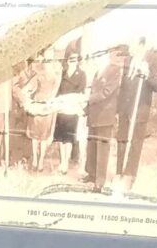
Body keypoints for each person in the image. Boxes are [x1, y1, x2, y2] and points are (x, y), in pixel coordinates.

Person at [85, 43, 132, 192]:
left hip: (105, 114)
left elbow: (106, 92)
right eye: (109, 52)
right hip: (94, 113)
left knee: (102, 149)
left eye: (113, 53)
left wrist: (88, 98)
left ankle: (100, 181)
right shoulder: (101, 69)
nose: (110, 55)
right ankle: (91, 174)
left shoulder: (116, 70)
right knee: (92, 145)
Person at [119, 44, 157, 193]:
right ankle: (119, 173)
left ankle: (129, 177)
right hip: (125, 108)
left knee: (135, 144)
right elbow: (123, 85)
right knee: (122, 141)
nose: (129, 47)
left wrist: (146, 74)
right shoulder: (128, 60)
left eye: (132, 44)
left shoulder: (152, 59)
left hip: (140, 107)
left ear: (141, 44)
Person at [51, 39, 87, 176]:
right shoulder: (63, 73)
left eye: (75, 59)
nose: (73, 61)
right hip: (62, 110)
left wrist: (71, 99)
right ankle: (63, 162)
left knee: (69, 138)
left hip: (73, 110)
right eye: (71, 59)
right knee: (60, 138)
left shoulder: (81, 74)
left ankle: (66, 162)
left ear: (78, 60)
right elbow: (58, 91)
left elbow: (81, 91)